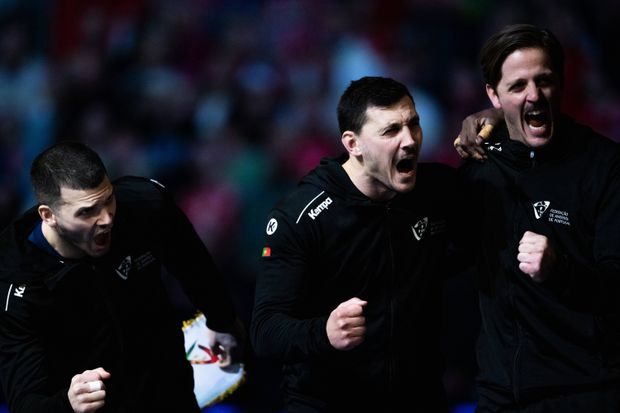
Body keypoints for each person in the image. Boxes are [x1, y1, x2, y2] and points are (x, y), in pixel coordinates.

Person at [250, 76, 466, 412]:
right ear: (353, 144)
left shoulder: (438, 190)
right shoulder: (301, 217)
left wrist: (493, 119)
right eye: (391, 131)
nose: (410, 140)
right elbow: (264, 331)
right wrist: (324, 332)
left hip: (419, 398)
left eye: (413, 124)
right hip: (325, 403)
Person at [0, 141, 245, 413]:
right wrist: (67, 404)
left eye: (108, 200)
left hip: (169, 387)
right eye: (87, 211)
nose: (106, 219)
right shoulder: (16, 284)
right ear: (49, 215)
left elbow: (194, 265)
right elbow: (25, 400)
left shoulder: (147, 206)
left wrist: (221, 319)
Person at [456, 24, 620, 412]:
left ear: (560, 83)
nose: (535, 95)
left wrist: (560, 269)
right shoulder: (481, 168)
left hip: (585, 393)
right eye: (518, 86)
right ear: (494, 95)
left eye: (544, 80)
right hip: (498, 395)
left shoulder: (605, 167)